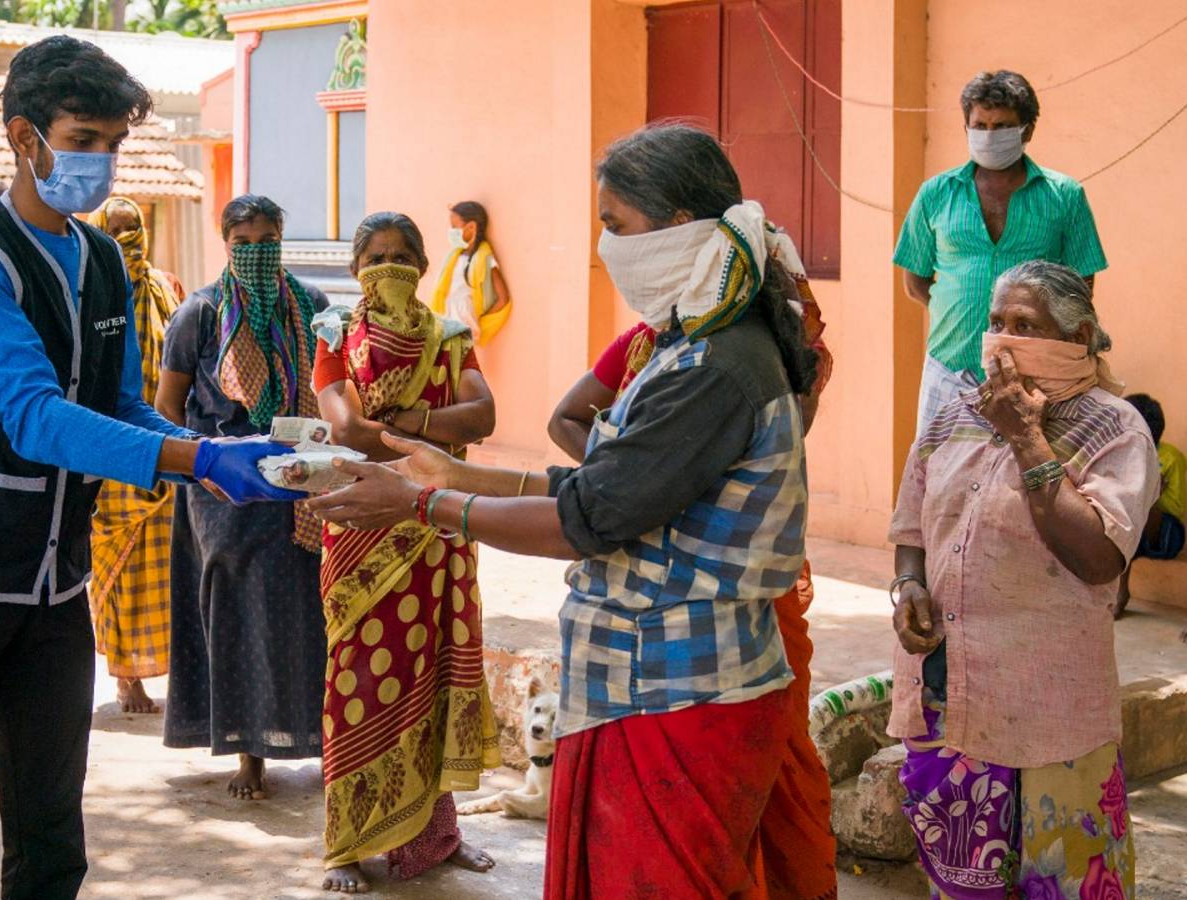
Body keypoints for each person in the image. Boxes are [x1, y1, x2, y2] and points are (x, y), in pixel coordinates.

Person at [306, 123, 819, 899]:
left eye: (614, 225)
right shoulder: (690, 346)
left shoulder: (715, 365)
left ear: (678, 224)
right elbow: (608, 486)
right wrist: (454, 478)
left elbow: (584, 518)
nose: (604, 245)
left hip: (677, 694)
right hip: (643, 687)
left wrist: (424, 503)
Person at [0, 37, 299, 899]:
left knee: (52, 830)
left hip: (59, 583)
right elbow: (33, 418)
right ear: (26, 137)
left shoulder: (100, 258)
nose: (100, 162)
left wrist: (218, 461)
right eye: (84, 139)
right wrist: (194, 454)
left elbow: (121, 404)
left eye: (113, 145)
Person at [545, 220, 838, 900]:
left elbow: (769, 448)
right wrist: (631, 482)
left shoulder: (752, 361)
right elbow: (568, 422)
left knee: (758, 791)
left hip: (726, 602)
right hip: (647, 590)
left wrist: (626, 490)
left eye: (620, 223)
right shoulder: (654, 347)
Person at [889, 260, 1155, 898]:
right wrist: (908, 588)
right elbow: (910, 530)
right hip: (948, 694)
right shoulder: (953, 412)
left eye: (1025, 325)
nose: (1003, 339)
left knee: (1063, 880)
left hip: (1051, 714)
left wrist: (1028, 438)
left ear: (1078, 336)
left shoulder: (1115, 429)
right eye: (995, 323)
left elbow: (1099, 557)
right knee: (962, 882)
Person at [309, 212, 501, 894]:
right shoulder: (333, 333)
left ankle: (438, 834)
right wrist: (425, 436)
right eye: (376, 256)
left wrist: (401, 422)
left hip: (440, 530)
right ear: (356, 267)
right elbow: (344, 428)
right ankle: (345, 847)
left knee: (442, 671)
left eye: (402, 255)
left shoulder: (450, 335)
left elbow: (482, 415)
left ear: (423, 264)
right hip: (363, 532)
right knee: (361, 679)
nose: (389, 266)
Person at [155, 193, 329, 802]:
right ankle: (246, 751)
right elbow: (167, 411)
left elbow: (331, 392)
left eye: (267, 241)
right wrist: (204, 465)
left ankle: (310, 736)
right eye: (244, 243)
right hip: (223, 491)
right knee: (234, 608)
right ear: (225, 244)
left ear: (282, 238)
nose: (257, 253)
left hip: (298, 486)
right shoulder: (199, 314)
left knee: (305, 610)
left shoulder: (311, 307)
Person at [894, 70, 1107, 435]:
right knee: (936, 478)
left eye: (1002, 126)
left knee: (1026, 479)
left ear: (1028, 130)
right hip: (949, 367)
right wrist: (962, 316)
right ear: (966, 127)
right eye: (980, 125)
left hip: (1034, 375)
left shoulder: (1064, 196)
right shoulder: (935, 194)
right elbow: (914, 281)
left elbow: (1081, 286)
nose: (989, 135)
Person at [84, 195, 184, 714]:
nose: (126, 239)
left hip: (165, 448)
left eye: (133, 229)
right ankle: (126, 678)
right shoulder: (90, 290)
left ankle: (163, 665)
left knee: (164, 567)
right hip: (111, 457)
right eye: (115, 230)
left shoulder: (166, 289)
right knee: (118, 567)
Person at [1115, 393, 1185, 618]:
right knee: (1124, 512)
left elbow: (1176, 508)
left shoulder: (1171, 457)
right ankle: (1120, 592)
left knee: (1137, 506)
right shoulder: (1118, 454)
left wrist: (1150, 495)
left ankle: (1119, 595)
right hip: (1131, 529)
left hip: (1165, 532)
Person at [430, 201, 511, 345]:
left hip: (463, 325)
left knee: (454, 364)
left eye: (454, 227)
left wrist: (480, 324)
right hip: (447, 320)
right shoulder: (454, 256)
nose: (451, 231)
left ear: (471, 227)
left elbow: (503, 298)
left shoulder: (484, 258)